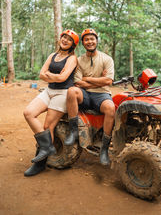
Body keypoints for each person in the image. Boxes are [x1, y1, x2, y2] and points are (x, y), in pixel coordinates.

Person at [23, 29, 79, 176]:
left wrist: (49, 75)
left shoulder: (72, 58)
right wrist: (53, 76)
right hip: (49, 91)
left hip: (63, 93)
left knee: (48, 126)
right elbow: (41, 74)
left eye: (69, 39)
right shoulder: (52, 55)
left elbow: (63, 78)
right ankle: (47, 147)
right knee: (28, 113)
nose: (65, 40)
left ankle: (40, 163)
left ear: (73, 44)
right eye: (64, 37)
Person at [64, 28, 115, 166]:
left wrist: (87, 79)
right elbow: (77, 82)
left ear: (97, 40)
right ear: (83, 43)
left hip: (102, 94)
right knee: (72, 91)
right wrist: (99, 80)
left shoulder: (107, 59)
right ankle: (74, 132)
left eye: (92, 39)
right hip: (85, 95)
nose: (90, 42)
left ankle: (104, 149)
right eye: (86, 39)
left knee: (111, 108)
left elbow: (108, 81)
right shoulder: (79, 60)